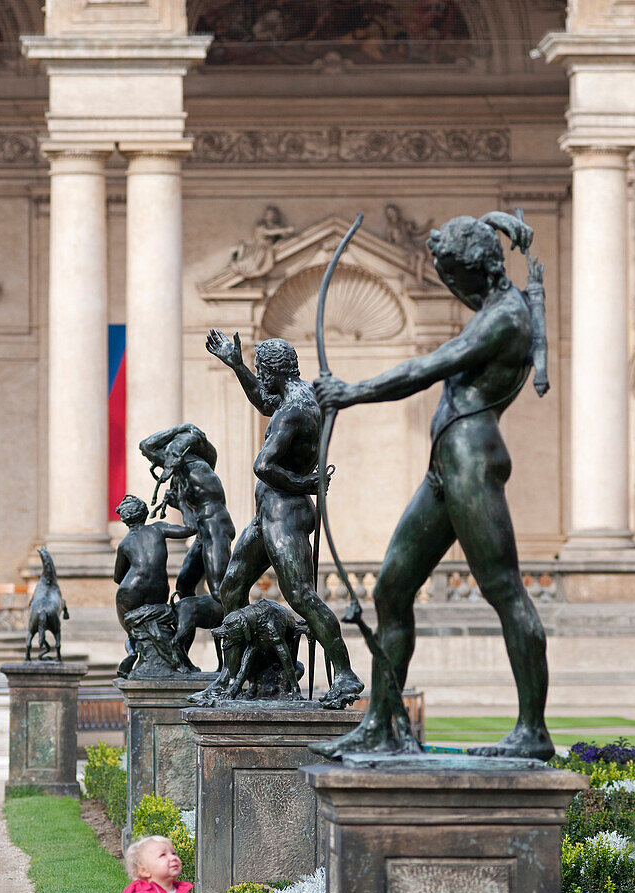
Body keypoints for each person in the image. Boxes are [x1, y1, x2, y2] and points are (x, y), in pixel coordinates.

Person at [311, 211, 555, 761]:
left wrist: (352, 391)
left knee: (504, 590)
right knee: (392, 587)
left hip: (472, 461)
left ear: (479, 274)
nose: (452, 289)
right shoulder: (495, 306)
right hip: (447, 463)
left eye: (454, 280)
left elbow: (427, 367)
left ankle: (532, 731)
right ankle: (382, 724)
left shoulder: (506, 317)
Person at [201, 329, 363, 709]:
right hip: (268, 513)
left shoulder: (293, 413)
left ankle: (344, 674)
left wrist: (303, 483)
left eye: (260, 369)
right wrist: (237, 365)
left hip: (284, 514)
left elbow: (263, 465)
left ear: (273, 371)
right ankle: (231, 672)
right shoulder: (299, 394)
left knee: (302, 597)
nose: (259, 377)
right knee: (231, 587)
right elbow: (263, 399)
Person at [113, 494, 196, 676]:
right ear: (144, 512)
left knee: (132, 629)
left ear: (124, 519)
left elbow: (118, 577)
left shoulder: (124, 543)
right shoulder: (157, 528)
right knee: (159, 619)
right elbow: (191, 528)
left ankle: (132, 651)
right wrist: (182, 504)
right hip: (159, 590)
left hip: (130, 590)